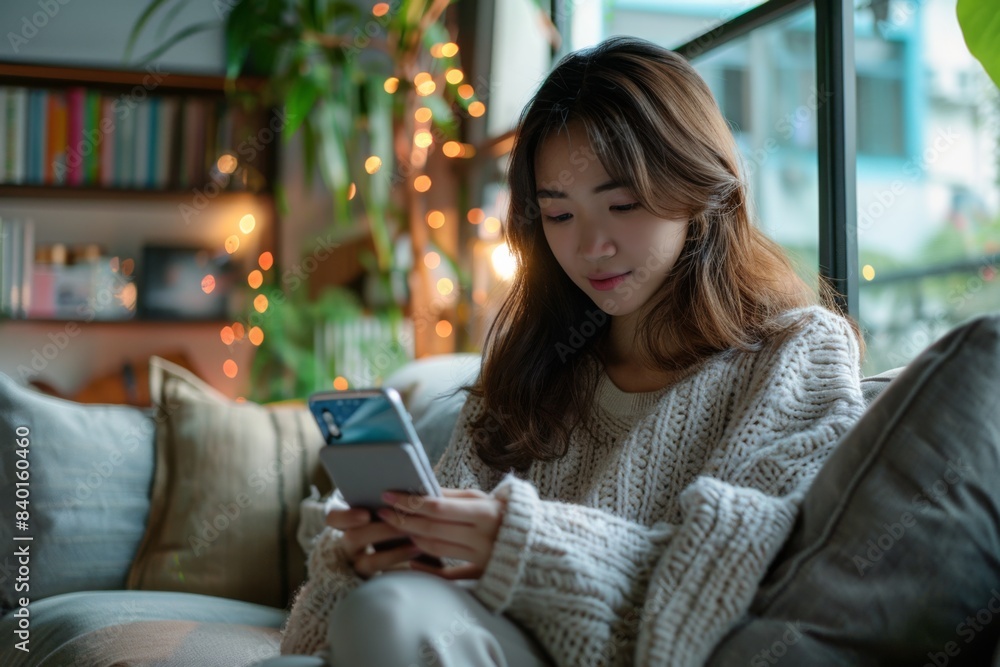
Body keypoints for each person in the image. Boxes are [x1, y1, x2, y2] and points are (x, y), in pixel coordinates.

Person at [276, 35, 867, 667]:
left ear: (699, 190)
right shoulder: (532, 364)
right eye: (558, 216)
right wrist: (368, 558)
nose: (590, 246)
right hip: (464, 639)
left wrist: (521, 546)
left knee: (388, 616)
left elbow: (755, 587)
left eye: (621, 204)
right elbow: (320, 630)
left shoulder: (796, 355)